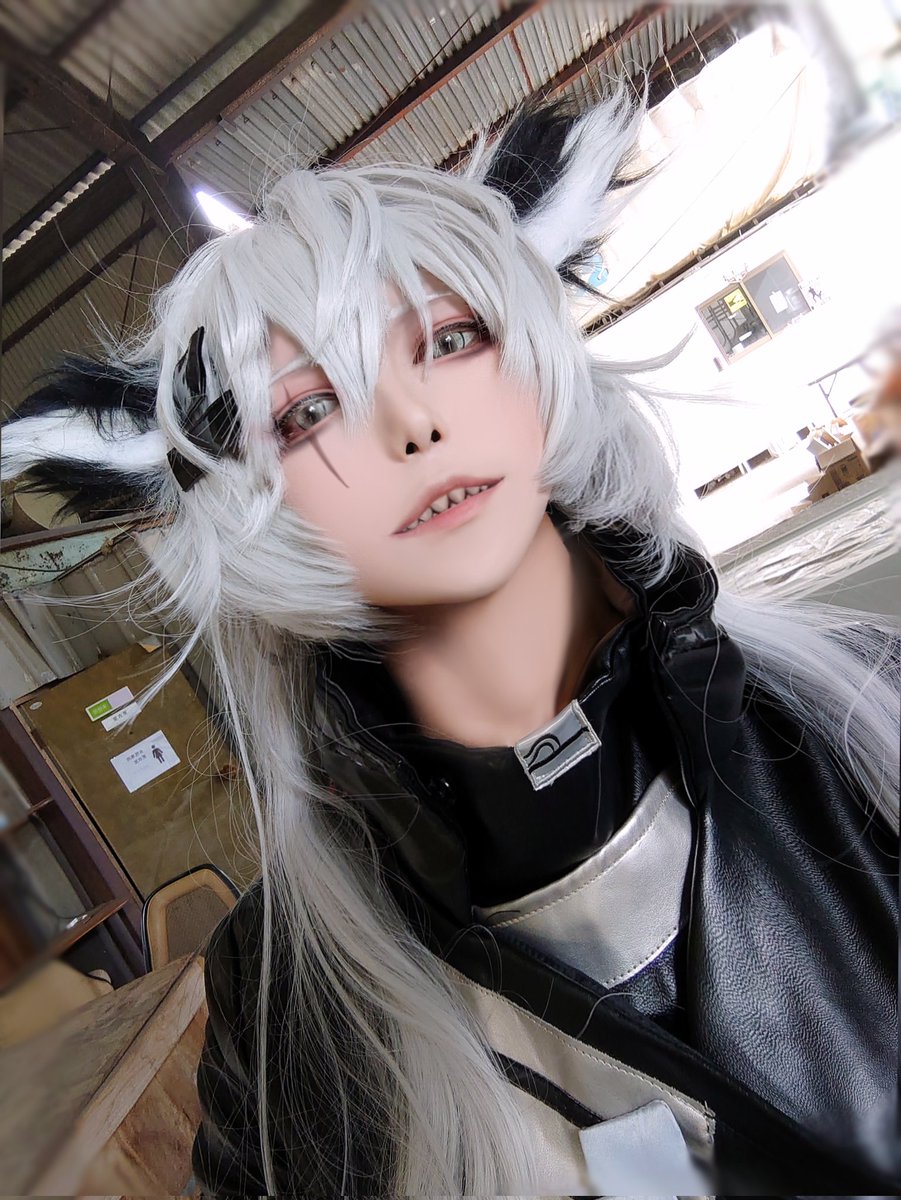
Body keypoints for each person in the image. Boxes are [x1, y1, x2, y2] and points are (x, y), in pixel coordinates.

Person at [2, 92, 897, 1197]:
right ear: (244, 504)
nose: (411, 426)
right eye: (305, 413)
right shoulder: (285, 1007)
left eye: (449, 341)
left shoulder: (868, 710)